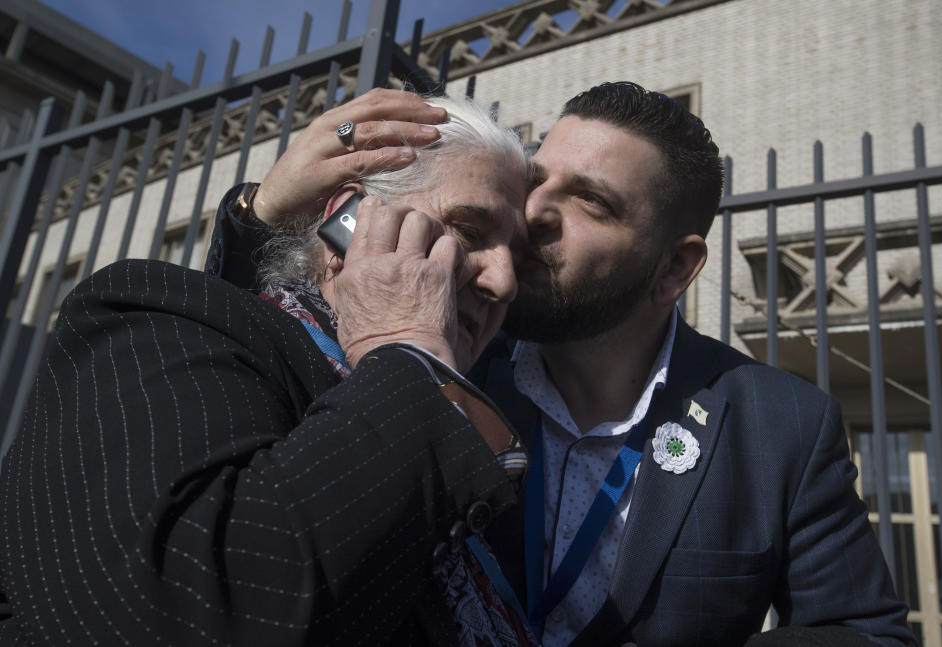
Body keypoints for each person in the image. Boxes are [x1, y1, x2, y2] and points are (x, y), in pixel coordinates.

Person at [205, 84, 915, 647]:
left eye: (592, 202)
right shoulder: (449, 349)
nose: (533, 212)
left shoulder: (781, 423)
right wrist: (260, 211)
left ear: (674, 267)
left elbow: (866, 629)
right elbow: (254, 373)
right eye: (539, 178)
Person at [0, 94, 538, 645]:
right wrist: (406, 355)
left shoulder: (488, 453)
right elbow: (170, 612)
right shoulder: (143, 315)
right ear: (350, 224)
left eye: (518, 259)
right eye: (469, 231)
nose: (504, 282)